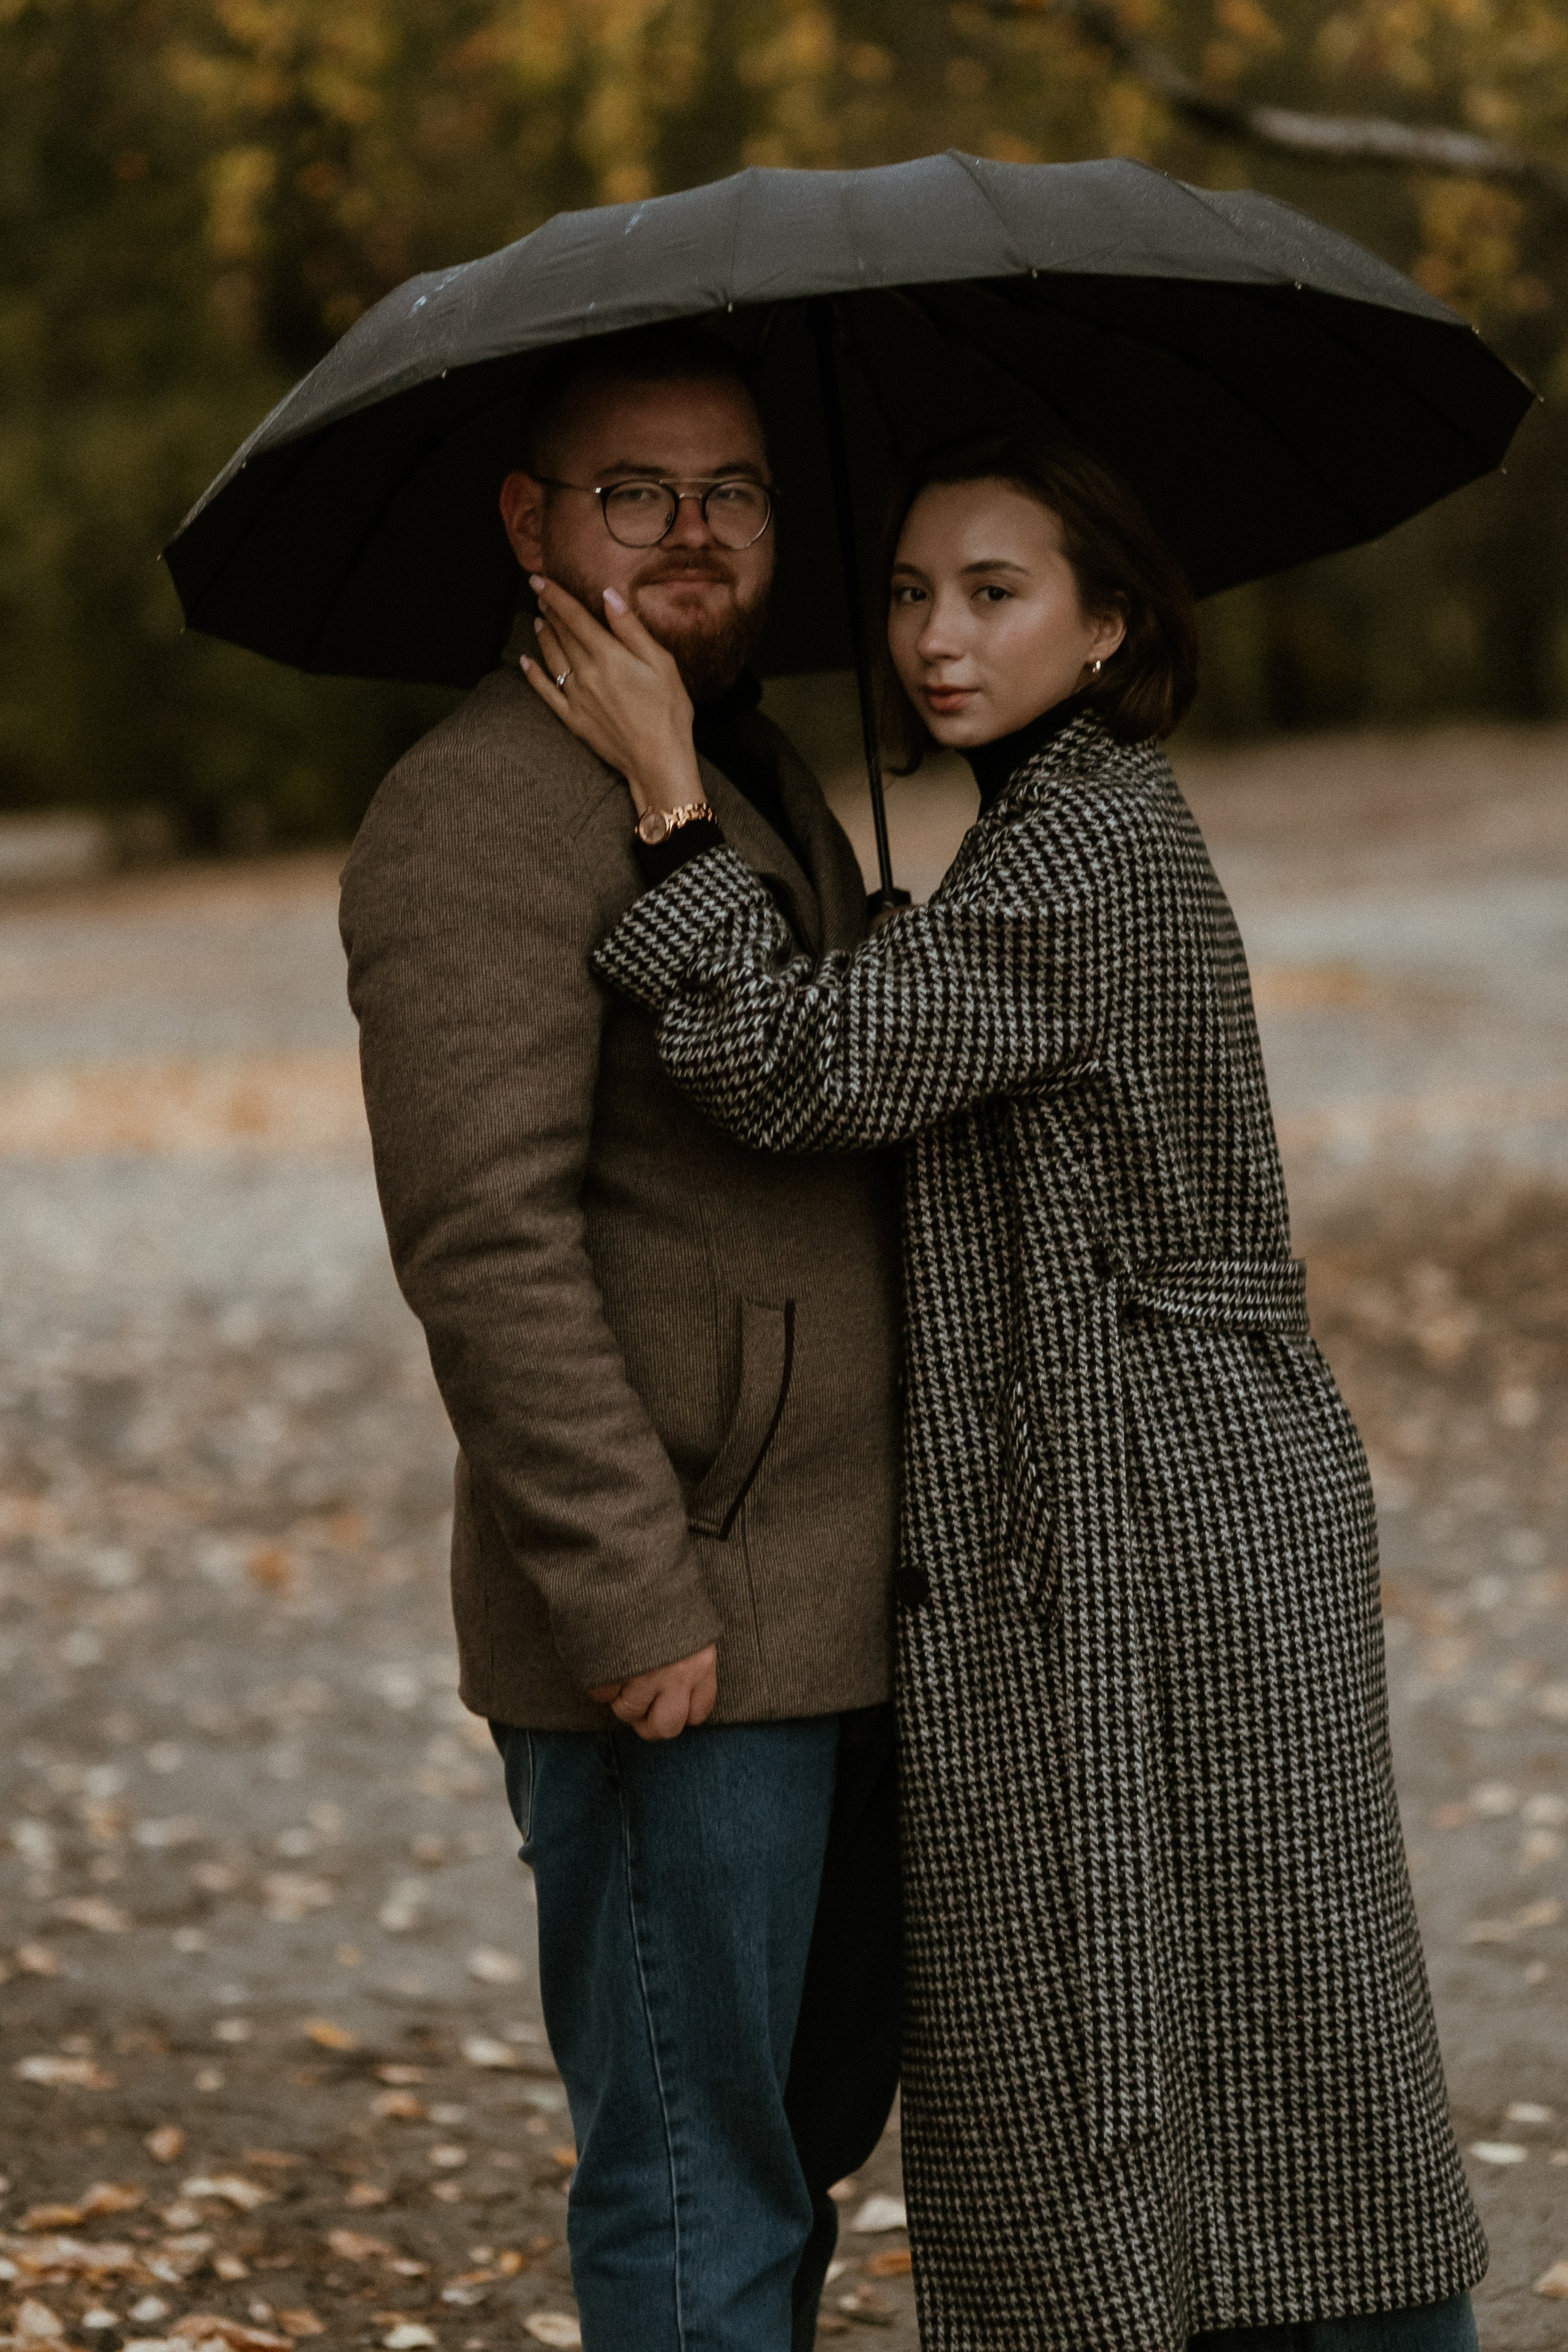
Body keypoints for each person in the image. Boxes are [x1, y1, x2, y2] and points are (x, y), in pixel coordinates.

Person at [521, 431, 1488, 2351]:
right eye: (905, 593)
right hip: (1103, 1489)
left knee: (1264, 2019)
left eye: (994, 593)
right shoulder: (1038, 836)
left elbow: (805, 1073)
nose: (935, 641)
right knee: (1119, 2009)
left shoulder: (1095, 836)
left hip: (1176, 1507)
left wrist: (660, 788)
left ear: (1107, 622)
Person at [338, 328, 904, 2352]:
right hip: (682, 1630)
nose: (691, 534)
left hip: (852, 1602)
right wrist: (622, 1583)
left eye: (733, 493)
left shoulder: (745, 768)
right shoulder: (480, 807)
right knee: (691, 2182)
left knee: (799, 2137)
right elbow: (481, 1236)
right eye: (634, 493)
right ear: (530, 523)